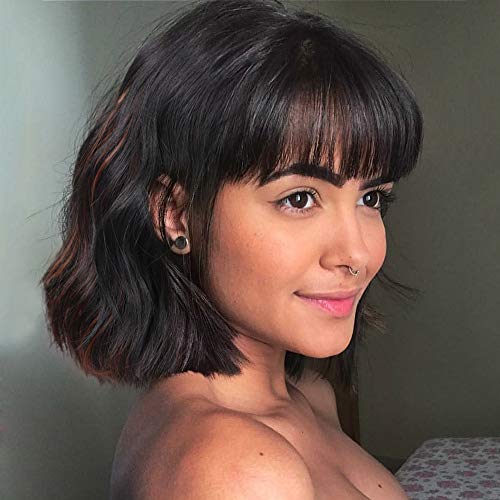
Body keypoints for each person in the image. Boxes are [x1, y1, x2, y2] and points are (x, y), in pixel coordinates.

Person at [40, 0, 423, 498]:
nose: (357, 254)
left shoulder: (311, 396)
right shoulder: (237, 471)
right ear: (175, 215)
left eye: (371, 198)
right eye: (299, 199)